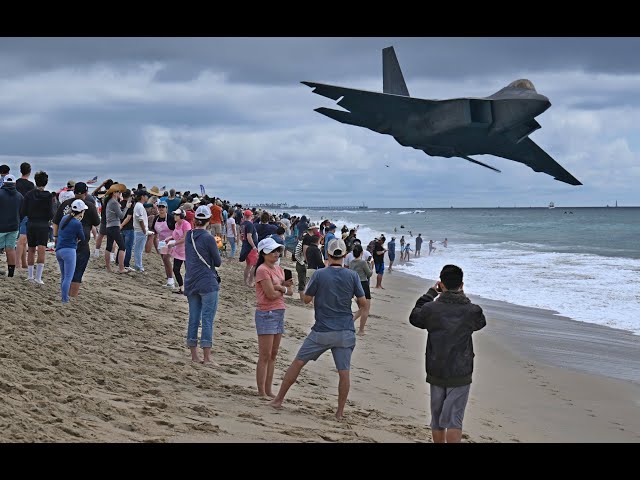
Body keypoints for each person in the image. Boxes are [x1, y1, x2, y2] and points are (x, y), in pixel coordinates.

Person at [270, 239, 367, 421]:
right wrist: (352, 317)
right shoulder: (352, 276)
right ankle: (339, 413)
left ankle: (278, 399)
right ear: (345, 256)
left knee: (298, 362)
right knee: (344, 372)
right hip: (345, 331)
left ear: (327, 255)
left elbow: (306, 299)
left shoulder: (320, 274)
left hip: (322, 331)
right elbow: (363, 304)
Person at [408, 264, 486, 443]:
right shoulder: (472, 310)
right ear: (462, 285)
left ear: (441, 285)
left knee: (436, 418)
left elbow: (415, 317)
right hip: (460, 370)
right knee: (454, 419)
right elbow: (480, 323)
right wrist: (462, 297)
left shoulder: (431, 309)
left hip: (436, 368)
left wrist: (430, 294)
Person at [253, 237, 294, 398]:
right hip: (266, 313)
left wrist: (281, 286)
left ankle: (268, 389)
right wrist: (282, 288)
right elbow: (270, 294)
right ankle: (261, 390)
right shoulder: (262, 270)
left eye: (278, 251)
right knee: (264, 354)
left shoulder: (278, 269)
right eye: (272, 251)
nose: (276, 254)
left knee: (273, 354)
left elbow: (289, 291)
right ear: (263, 253)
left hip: (278, 312)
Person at [183, 205, 222, 365]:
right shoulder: (208, 238)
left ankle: (194, 355)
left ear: (194, 220)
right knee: (207, 319)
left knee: (193, 317)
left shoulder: (188, 235)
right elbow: (217, 262)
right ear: (208, 220)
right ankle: (206, 357)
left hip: (191, 279)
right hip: (207, 281)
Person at [52, 182, 101, 298]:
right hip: (82, 243)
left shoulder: (65, 204)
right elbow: (96, 222)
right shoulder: (89, 205)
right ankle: (72, 296)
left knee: (66, 272)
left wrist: (56, 237)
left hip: (64, 242)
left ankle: (65, 295)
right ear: (86, 193)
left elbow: (55, 222)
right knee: (77, 272)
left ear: (73, 192)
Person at [20, 170, 54, 284]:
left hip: (31, 223)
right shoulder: (49, 195)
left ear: (35, 181)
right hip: (43, 224)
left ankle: (30, 276)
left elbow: (23, 211)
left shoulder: (29, 194)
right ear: (46, 182)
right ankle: (38, 278)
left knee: (31, 250)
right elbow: (51, 213)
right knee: (41, 250)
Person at [55, 200, 87, 303]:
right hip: (69, 251)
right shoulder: (77, 223)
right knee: (68, 277)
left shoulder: (65, 218)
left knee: (64, 277)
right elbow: (82, 237)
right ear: (81, 211)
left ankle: (63, 297)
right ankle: (64, 300)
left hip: (59, 250)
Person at [0, 175, 23, 277]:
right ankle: (11, 273)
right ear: (14, 183)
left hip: (1, 226)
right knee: (10, 249)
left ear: (4, 183)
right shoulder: (19, 196)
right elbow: (22, 213)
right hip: (14, 226)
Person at [15, 162, 35, 272]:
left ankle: (24, 263)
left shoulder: (16, 183)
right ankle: (18, 263)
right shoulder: (31, 185)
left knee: (23, 239)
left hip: (16, 212)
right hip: (26, 213)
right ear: (29, 171)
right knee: (22, 239)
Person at [348, 244, 372, 335]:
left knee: (362, 308)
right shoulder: (363, 262)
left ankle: (351, 321)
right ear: (362, 253)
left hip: (354, 285)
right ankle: (361, 330)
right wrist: (369, 265)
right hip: (363, 284)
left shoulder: (351, 263)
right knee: (365, 308)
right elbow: (369, 274)